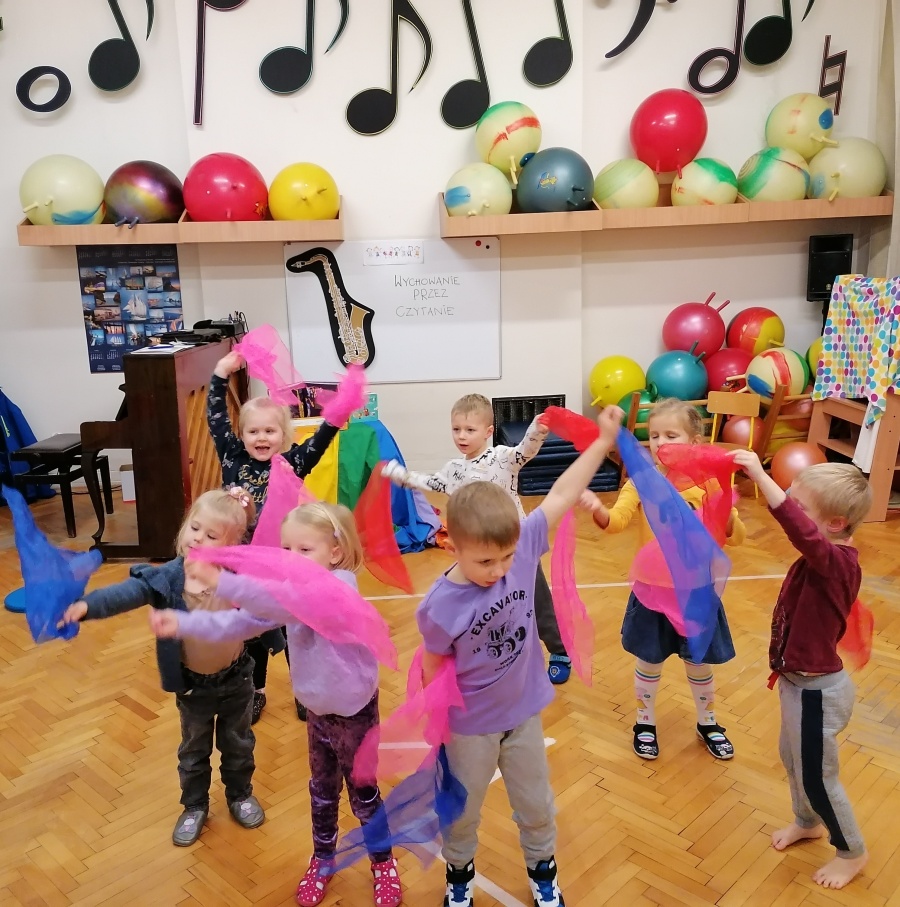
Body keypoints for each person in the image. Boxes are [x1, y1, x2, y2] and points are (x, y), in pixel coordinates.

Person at [417, 405, 623, 907]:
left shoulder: (522, 547)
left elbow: (562, 494)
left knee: (536, 804)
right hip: (471, 727)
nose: (500, 569)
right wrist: (437, 721)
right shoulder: (440, 605)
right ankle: (459, 874)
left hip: (524, 715)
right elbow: (430, 668)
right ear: (452, 546)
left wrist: (601, 443)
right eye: (486, 561)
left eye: (507, 556)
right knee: (463, 811)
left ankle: (543, 870)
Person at [149, 502, 402, 907]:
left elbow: (272, 603)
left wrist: (222, 582)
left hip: (354, 712)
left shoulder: (338, 587)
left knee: (363, 794)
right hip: (318, 710)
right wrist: (187, 623)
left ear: (335, 552)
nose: (292, 559)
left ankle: (383, 862)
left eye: (305, 550)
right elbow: (245, 621)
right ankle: (323, 859)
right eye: (286, 549)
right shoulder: (294, 592)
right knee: (322, 791)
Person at [59, 488, 283, 847]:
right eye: (194, 527)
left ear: (231, 544)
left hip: (237, 679)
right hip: (193, 688)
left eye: (212, 535)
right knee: (193, 752)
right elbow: (127, 593)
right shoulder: (168, 578)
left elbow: (267, 582)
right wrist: (88, 606)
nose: (198, 538)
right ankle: (194, 805)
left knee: (239, 745)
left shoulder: (236, 577)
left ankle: (239, 794)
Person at [733, 451, 871, 890]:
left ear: (833, 524)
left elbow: (799, 530)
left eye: (800, 504)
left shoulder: (837, 563)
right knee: (792, 759)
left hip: (818, 694)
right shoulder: (823, 557)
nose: (791, 506)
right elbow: (803, 528)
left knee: (817, 775)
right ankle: (807, 821)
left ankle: (852, 851)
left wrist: (759, 475)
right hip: (796, 683)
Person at [580, 399, 746, 762]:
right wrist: (599, 511)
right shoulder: (642, 482)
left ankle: (708, 722)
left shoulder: (708, 483)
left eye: (671, 435)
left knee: (698, 663)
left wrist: (727, 516)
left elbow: (734, 537)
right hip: (652, 592)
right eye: (654, 435)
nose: (660, 442)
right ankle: (645, 722)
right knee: (649, 661)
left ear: (695, 441)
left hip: (697, 592)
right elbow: (617, 522)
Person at [383, 393, 573, 684]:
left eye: (470, 430)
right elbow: (429, 481)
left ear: (488, 431)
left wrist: (537, 429)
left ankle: (558, 650)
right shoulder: (454, 470)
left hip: (515, 547)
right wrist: (400, 475)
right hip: (477, 555)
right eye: (456, 429)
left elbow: (525, 450)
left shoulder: (503, 458)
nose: (462, 436)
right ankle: (498, 655)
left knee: (537, 602)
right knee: (491, 607)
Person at [209, 350, 342, 725]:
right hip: (244, 568)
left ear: (284, 436)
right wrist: (220, 374)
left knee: (292, 628)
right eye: (253, 431)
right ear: (242, 435)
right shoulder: (232, 456)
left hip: (285, 567)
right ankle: (257, 690)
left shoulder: (292, 463)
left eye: (270, 431)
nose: (261, 438)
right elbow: (215, 417)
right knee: (253, 632)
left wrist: (339, 411)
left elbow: (321, 438)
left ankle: (304, 690)